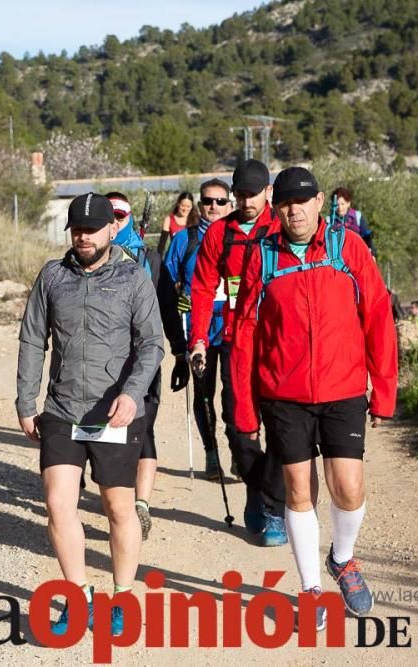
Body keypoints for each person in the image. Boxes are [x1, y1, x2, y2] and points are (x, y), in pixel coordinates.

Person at [230, 167, 398, 630]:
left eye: (302, 201)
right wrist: (244, 410)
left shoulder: (348, 248)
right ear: (274, 207)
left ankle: (342, 559)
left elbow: (379, 316)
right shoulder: (262, 258)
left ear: (320, 201)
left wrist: (383, 391)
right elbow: (243, 334)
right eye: (284, 203)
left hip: (343, 389)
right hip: (284, 396)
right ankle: (309, 588)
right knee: (299, 491)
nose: (294, 210)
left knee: (349, 488)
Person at [17, 193, 164, 637]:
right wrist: (27, 403)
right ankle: (78, 597)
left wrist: (133, 395)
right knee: (57, 502)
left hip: (114, 413)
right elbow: (31, 339)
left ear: (111, 229)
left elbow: (152, 345)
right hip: (63, 408)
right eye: (77, 230)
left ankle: (122, 596)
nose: (83, 237)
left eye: (92, 229)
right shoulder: (52, 276)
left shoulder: (133, 278)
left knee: (118, 507)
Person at [187, 160, 287, 547]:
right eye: (240, 194)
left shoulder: (281, 229)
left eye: (253, 194)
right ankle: (255, 486)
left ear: (268, 192)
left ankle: (273, 506)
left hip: (280, 342)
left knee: (281, 425)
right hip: (235, 341)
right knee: (238, 426)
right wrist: (198, 339)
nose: (246, 201)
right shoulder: (219, 234)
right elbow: (200, 287)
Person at [106, 191, 183, 540]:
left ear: (129, 217)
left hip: (144, 360)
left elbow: (167, 308)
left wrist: (181, 352)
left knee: (143, 427)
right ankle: (118, 494)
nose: (115, 222)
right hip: (104, 364)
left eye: (120, 215)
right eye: (109, 216)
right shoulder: (86, 258)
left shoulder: (149, 258)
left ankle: (142, 504)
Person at [163, 179, 234, 483]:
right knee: (205, 392)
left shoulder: (238, 235)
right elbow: (167, 280)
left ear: (230, 203)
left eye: (220, 201)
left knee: (235, 394)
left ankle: (240, 449)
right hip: (198, 329)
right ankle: (211, 453)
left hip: (233, 326)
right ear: (200, 203)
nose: (213, 207)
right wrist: (177, 296)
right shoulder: (185, 239)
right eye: (207, 201)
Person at [332, 186, 375, 256]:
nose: (340, 208)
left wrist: (372, 254)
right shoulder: (330, 221)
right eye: (337, 205)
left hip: (358, 255)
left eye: (342, 204)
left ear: (348, 203)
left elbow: (367, 237)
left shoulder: (357, 216)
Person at [157, 191, 199, 256]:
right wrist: (158, 261)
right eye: (183, 206)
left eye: (188, 206)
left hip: (191, 258)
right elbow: (161, 246)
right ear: (178, 204)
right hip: (174, 257)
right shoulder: (169, 220)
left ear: (192, 206)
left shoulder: (197, 220)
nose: (185, 209)